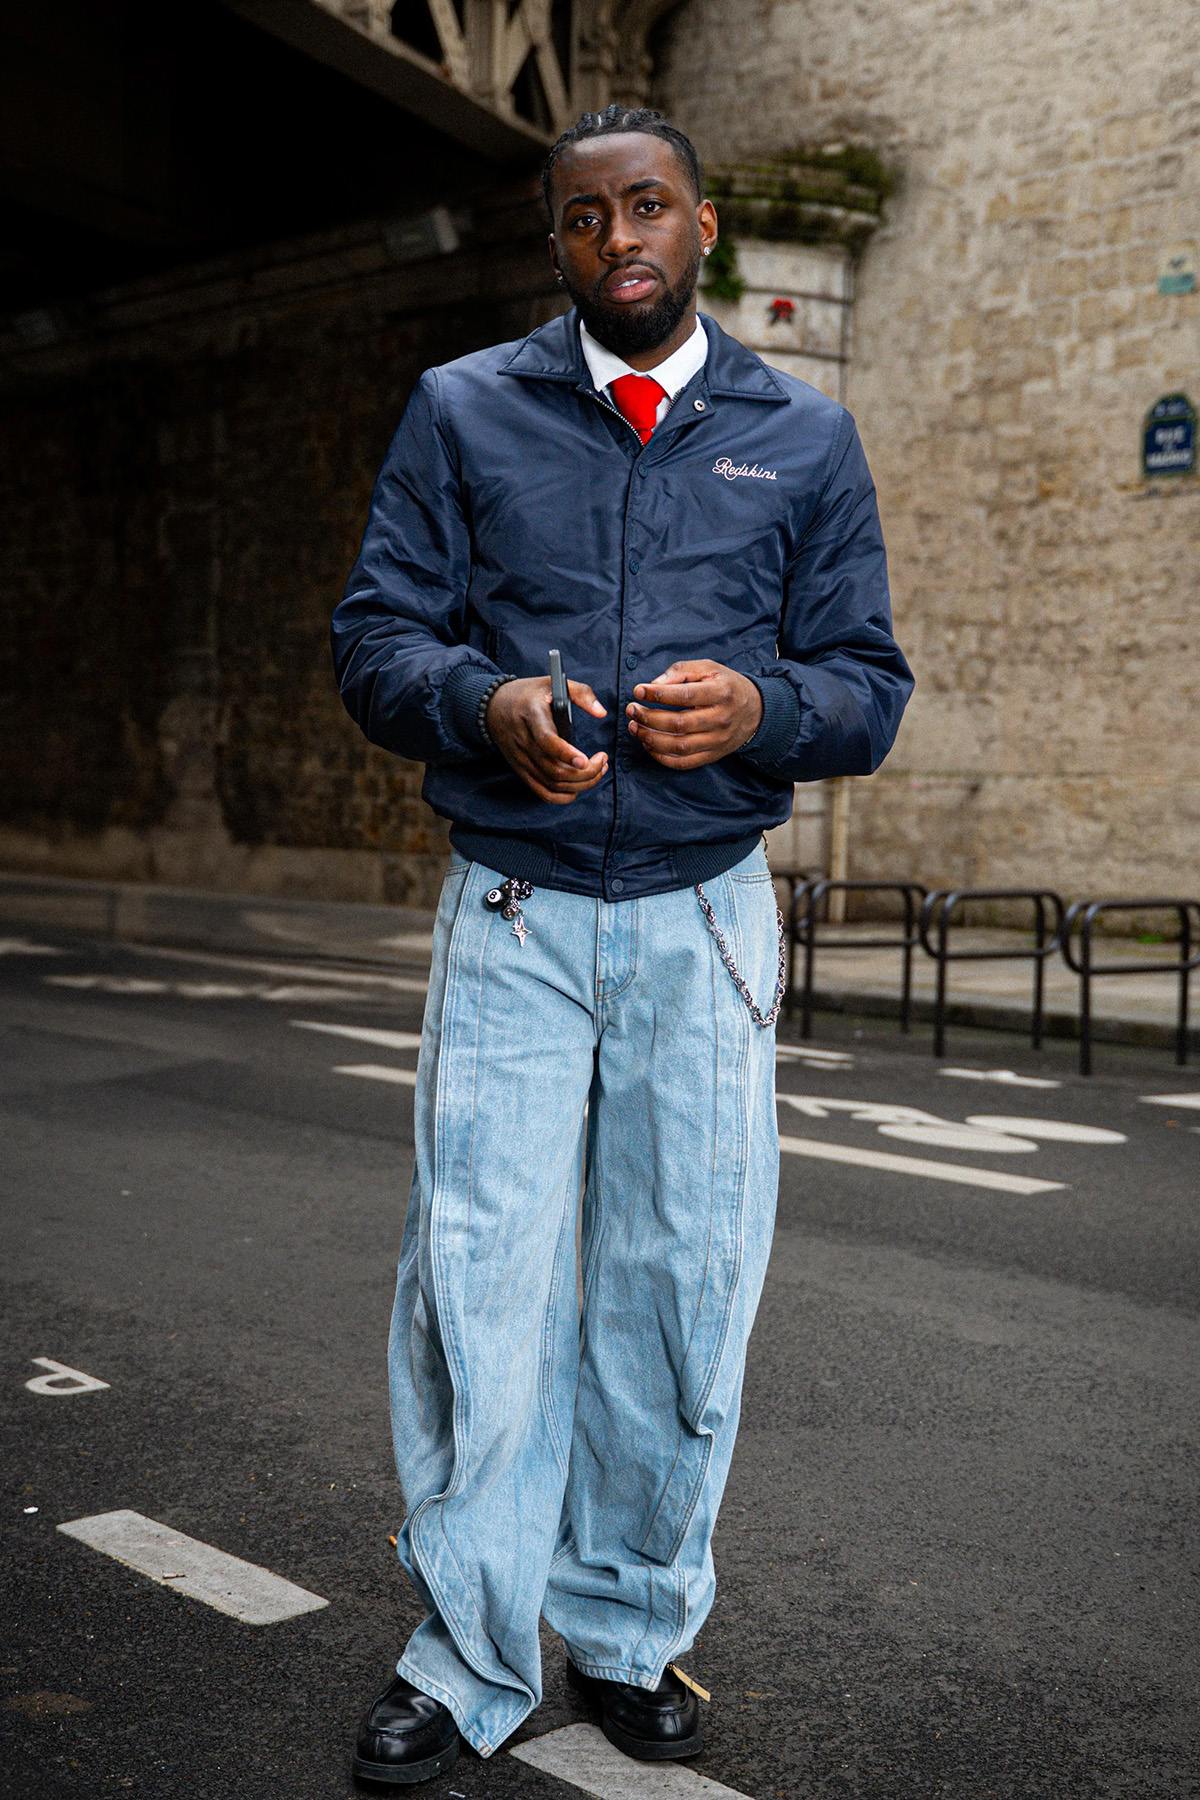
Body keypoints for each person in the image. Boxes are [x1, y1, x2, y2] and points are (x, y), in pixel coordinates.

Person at [331, 103, 913, 1787]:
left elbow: (866, 691)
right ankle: (466, 1656)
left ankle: (634, 1629)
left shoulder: (802, 439)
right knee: (478, 1288)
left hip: (705, 922)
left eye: (647, 208)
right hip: (513, 908)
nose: (619, 242)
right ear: (559, 242)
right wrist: (483, 699)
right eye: (585, 220)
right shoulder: (464, 412)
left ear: (703, 226)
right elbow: (378, 641)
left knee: (680, 1292)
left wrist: (765, 706)